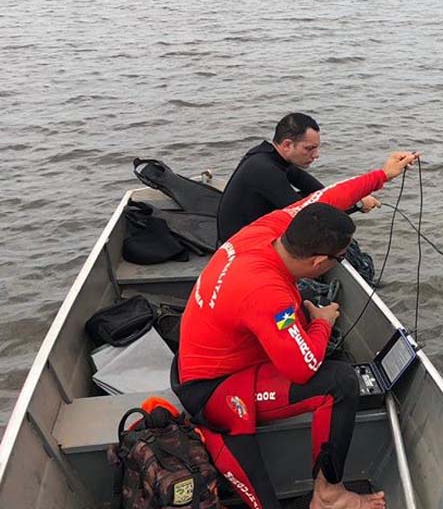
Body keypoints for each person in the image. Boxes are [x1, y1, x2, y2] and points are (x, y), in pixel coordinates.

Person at [175, 151, 420, 509]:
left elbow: (327, 198)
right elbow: (302, 368)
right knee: (340, 382)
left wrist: (382, 175)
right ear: (320, 262)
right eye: (339, 258)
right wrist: (321, 322)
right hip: (215, 391)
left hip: (216, 357)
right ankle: (328, 495)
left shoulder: (267, 229)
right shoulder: (267, 293)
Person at [217, 113, 380, 242]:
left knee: (312, 200)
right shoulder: (264, 169)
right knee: (314, 221)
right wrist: (357, 205)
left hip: (256, 227)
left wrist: (355, 196)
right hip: (239, 244)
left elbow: (320, 192)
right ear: (287, 145)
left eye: (317, 148)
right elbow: (307, 218)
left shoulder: (274, 157)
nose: (316, 155)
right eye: (309, 149)